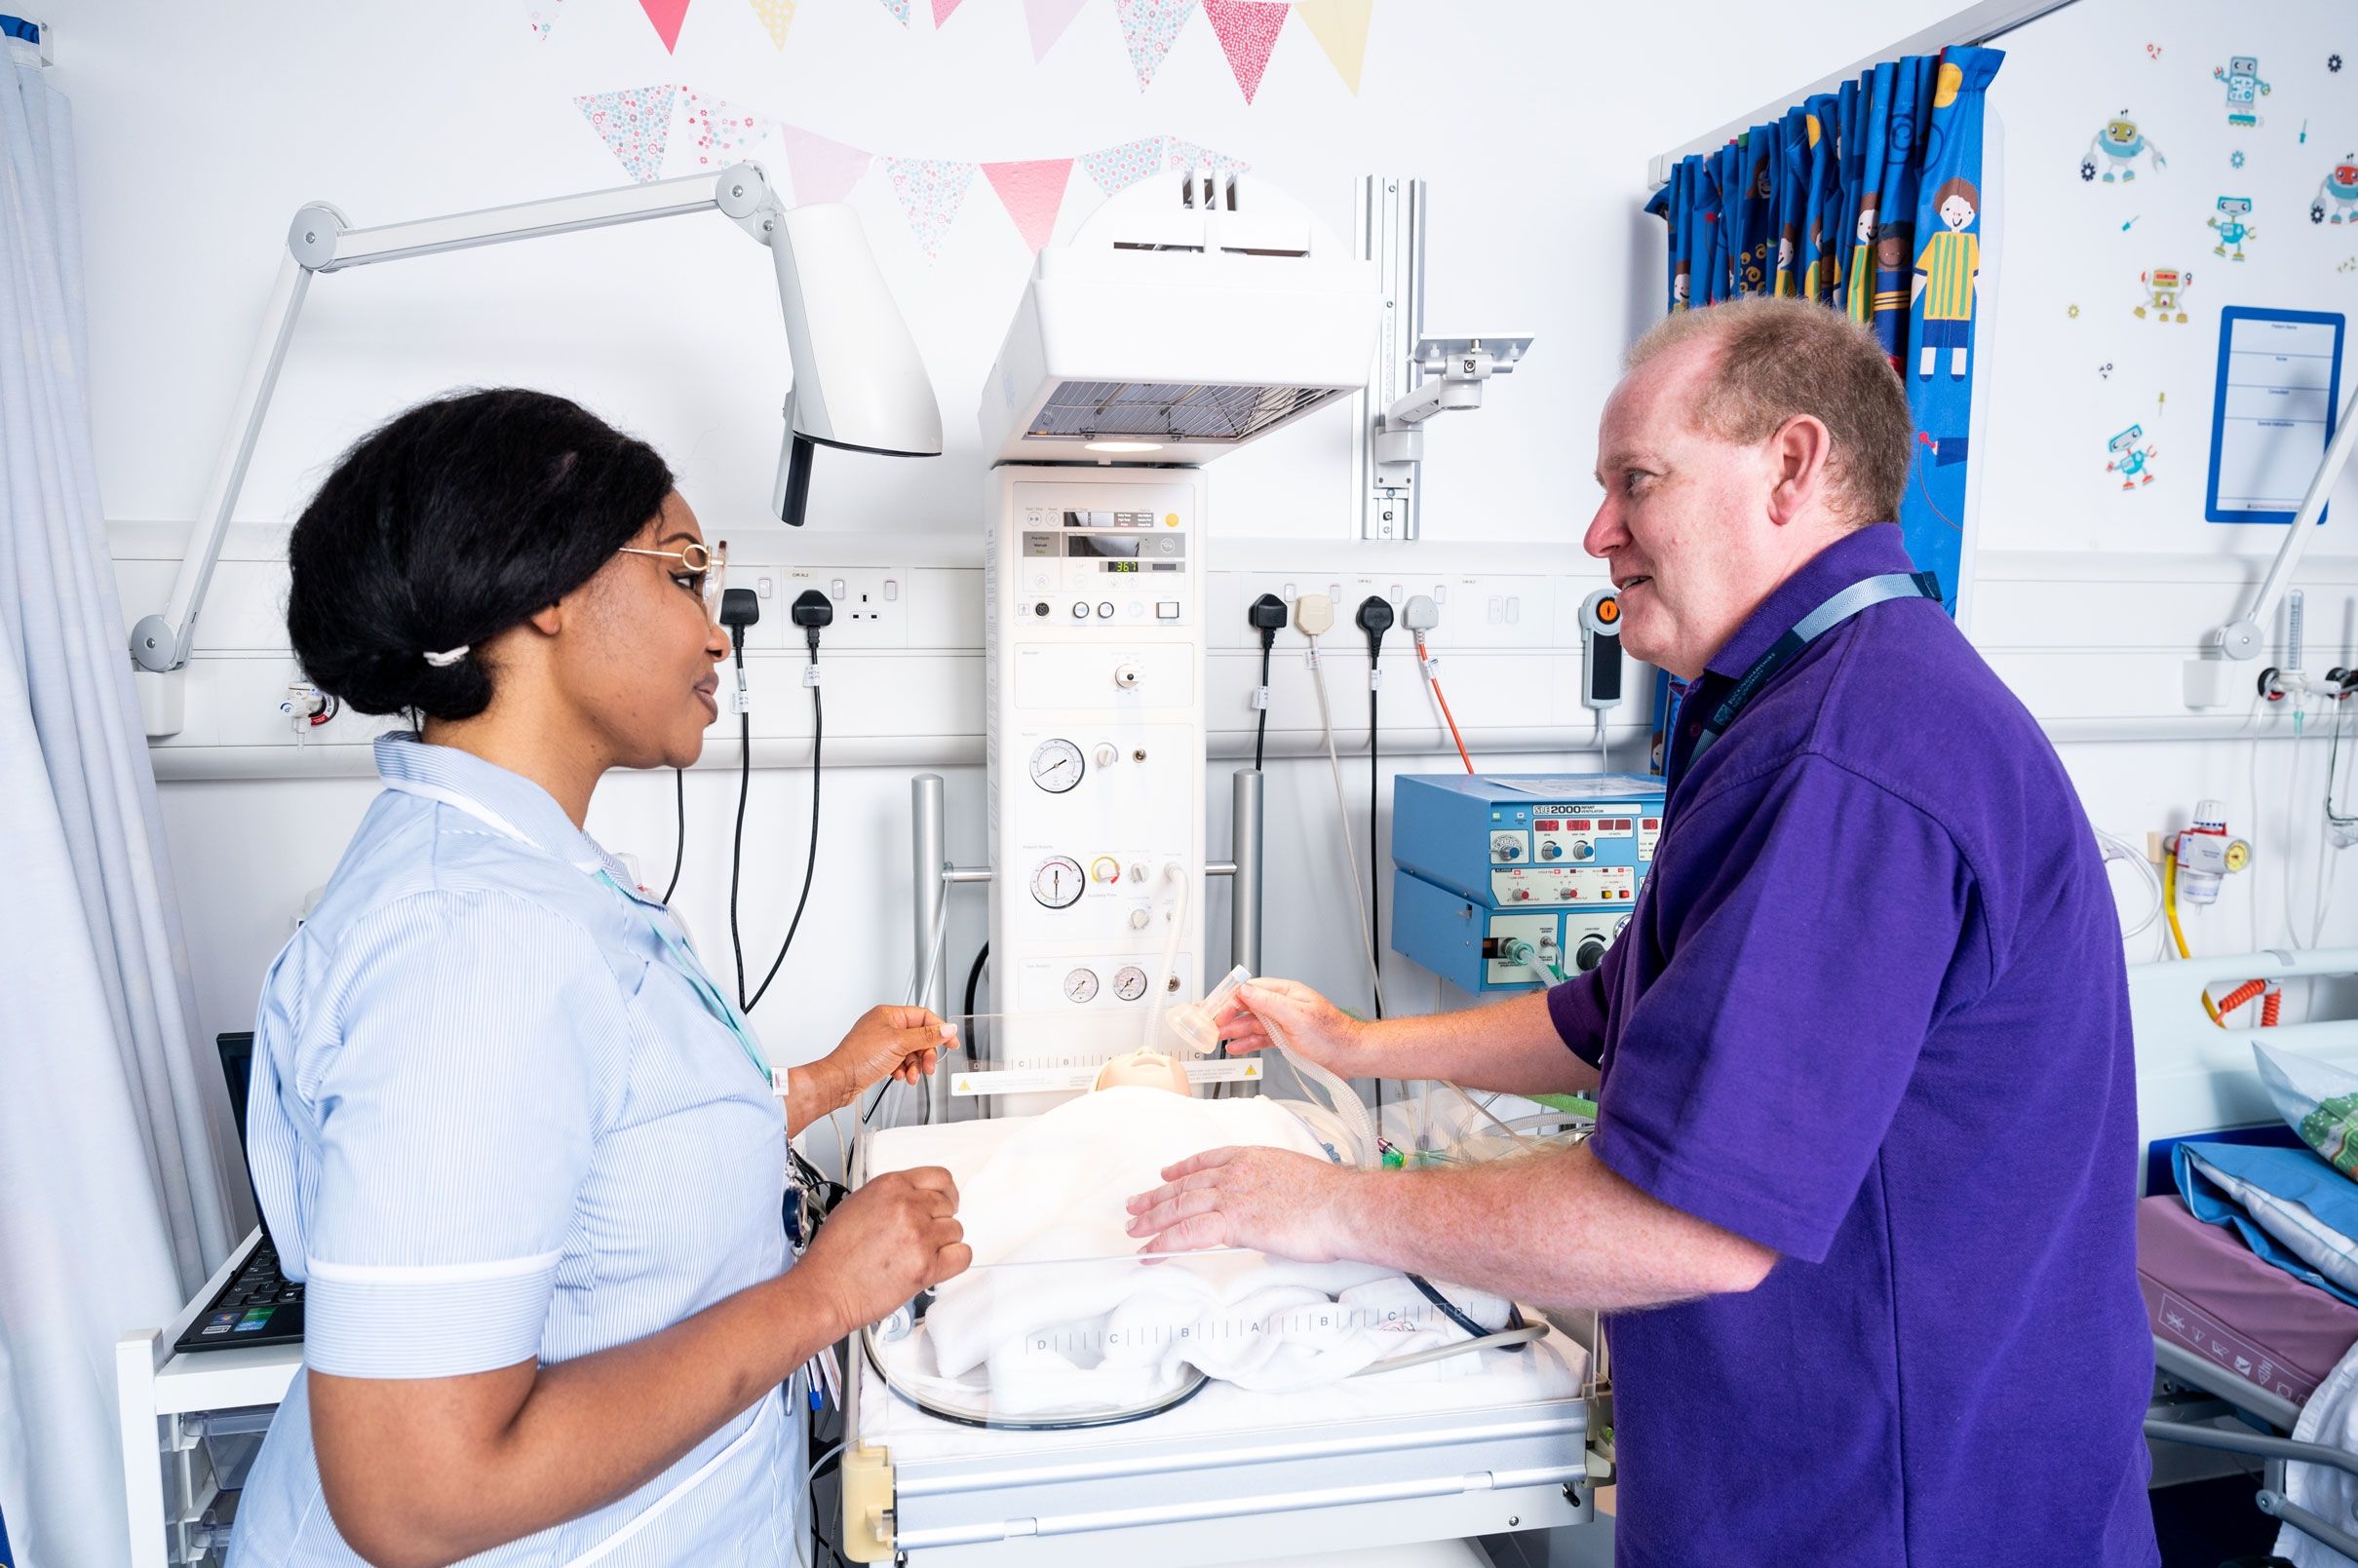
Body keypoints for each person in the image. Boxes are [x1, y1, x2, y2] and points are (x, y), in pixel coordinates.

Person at [1128, 298, 2159, 1567]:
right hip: (1838, 1461)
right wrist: (1352, 1043)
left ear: (1789, 466)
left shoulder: (1850, 759)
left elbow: (1683, 1227)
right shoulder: (1794, 698)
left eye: (1637, 481)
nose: (1597, 531)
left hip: (1899, 1503)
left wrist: (1327, 1205)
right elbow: (1606, 1016)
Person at [227, 389, 970, 1566]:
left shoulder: (521, 880)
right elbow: (418, 1494)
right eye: (683, 573)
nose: (716, 633)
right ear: (549, 590)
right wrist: (824, 1296)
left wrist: (825, 1082)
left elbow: (596, 1156)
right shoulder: (474, 939)